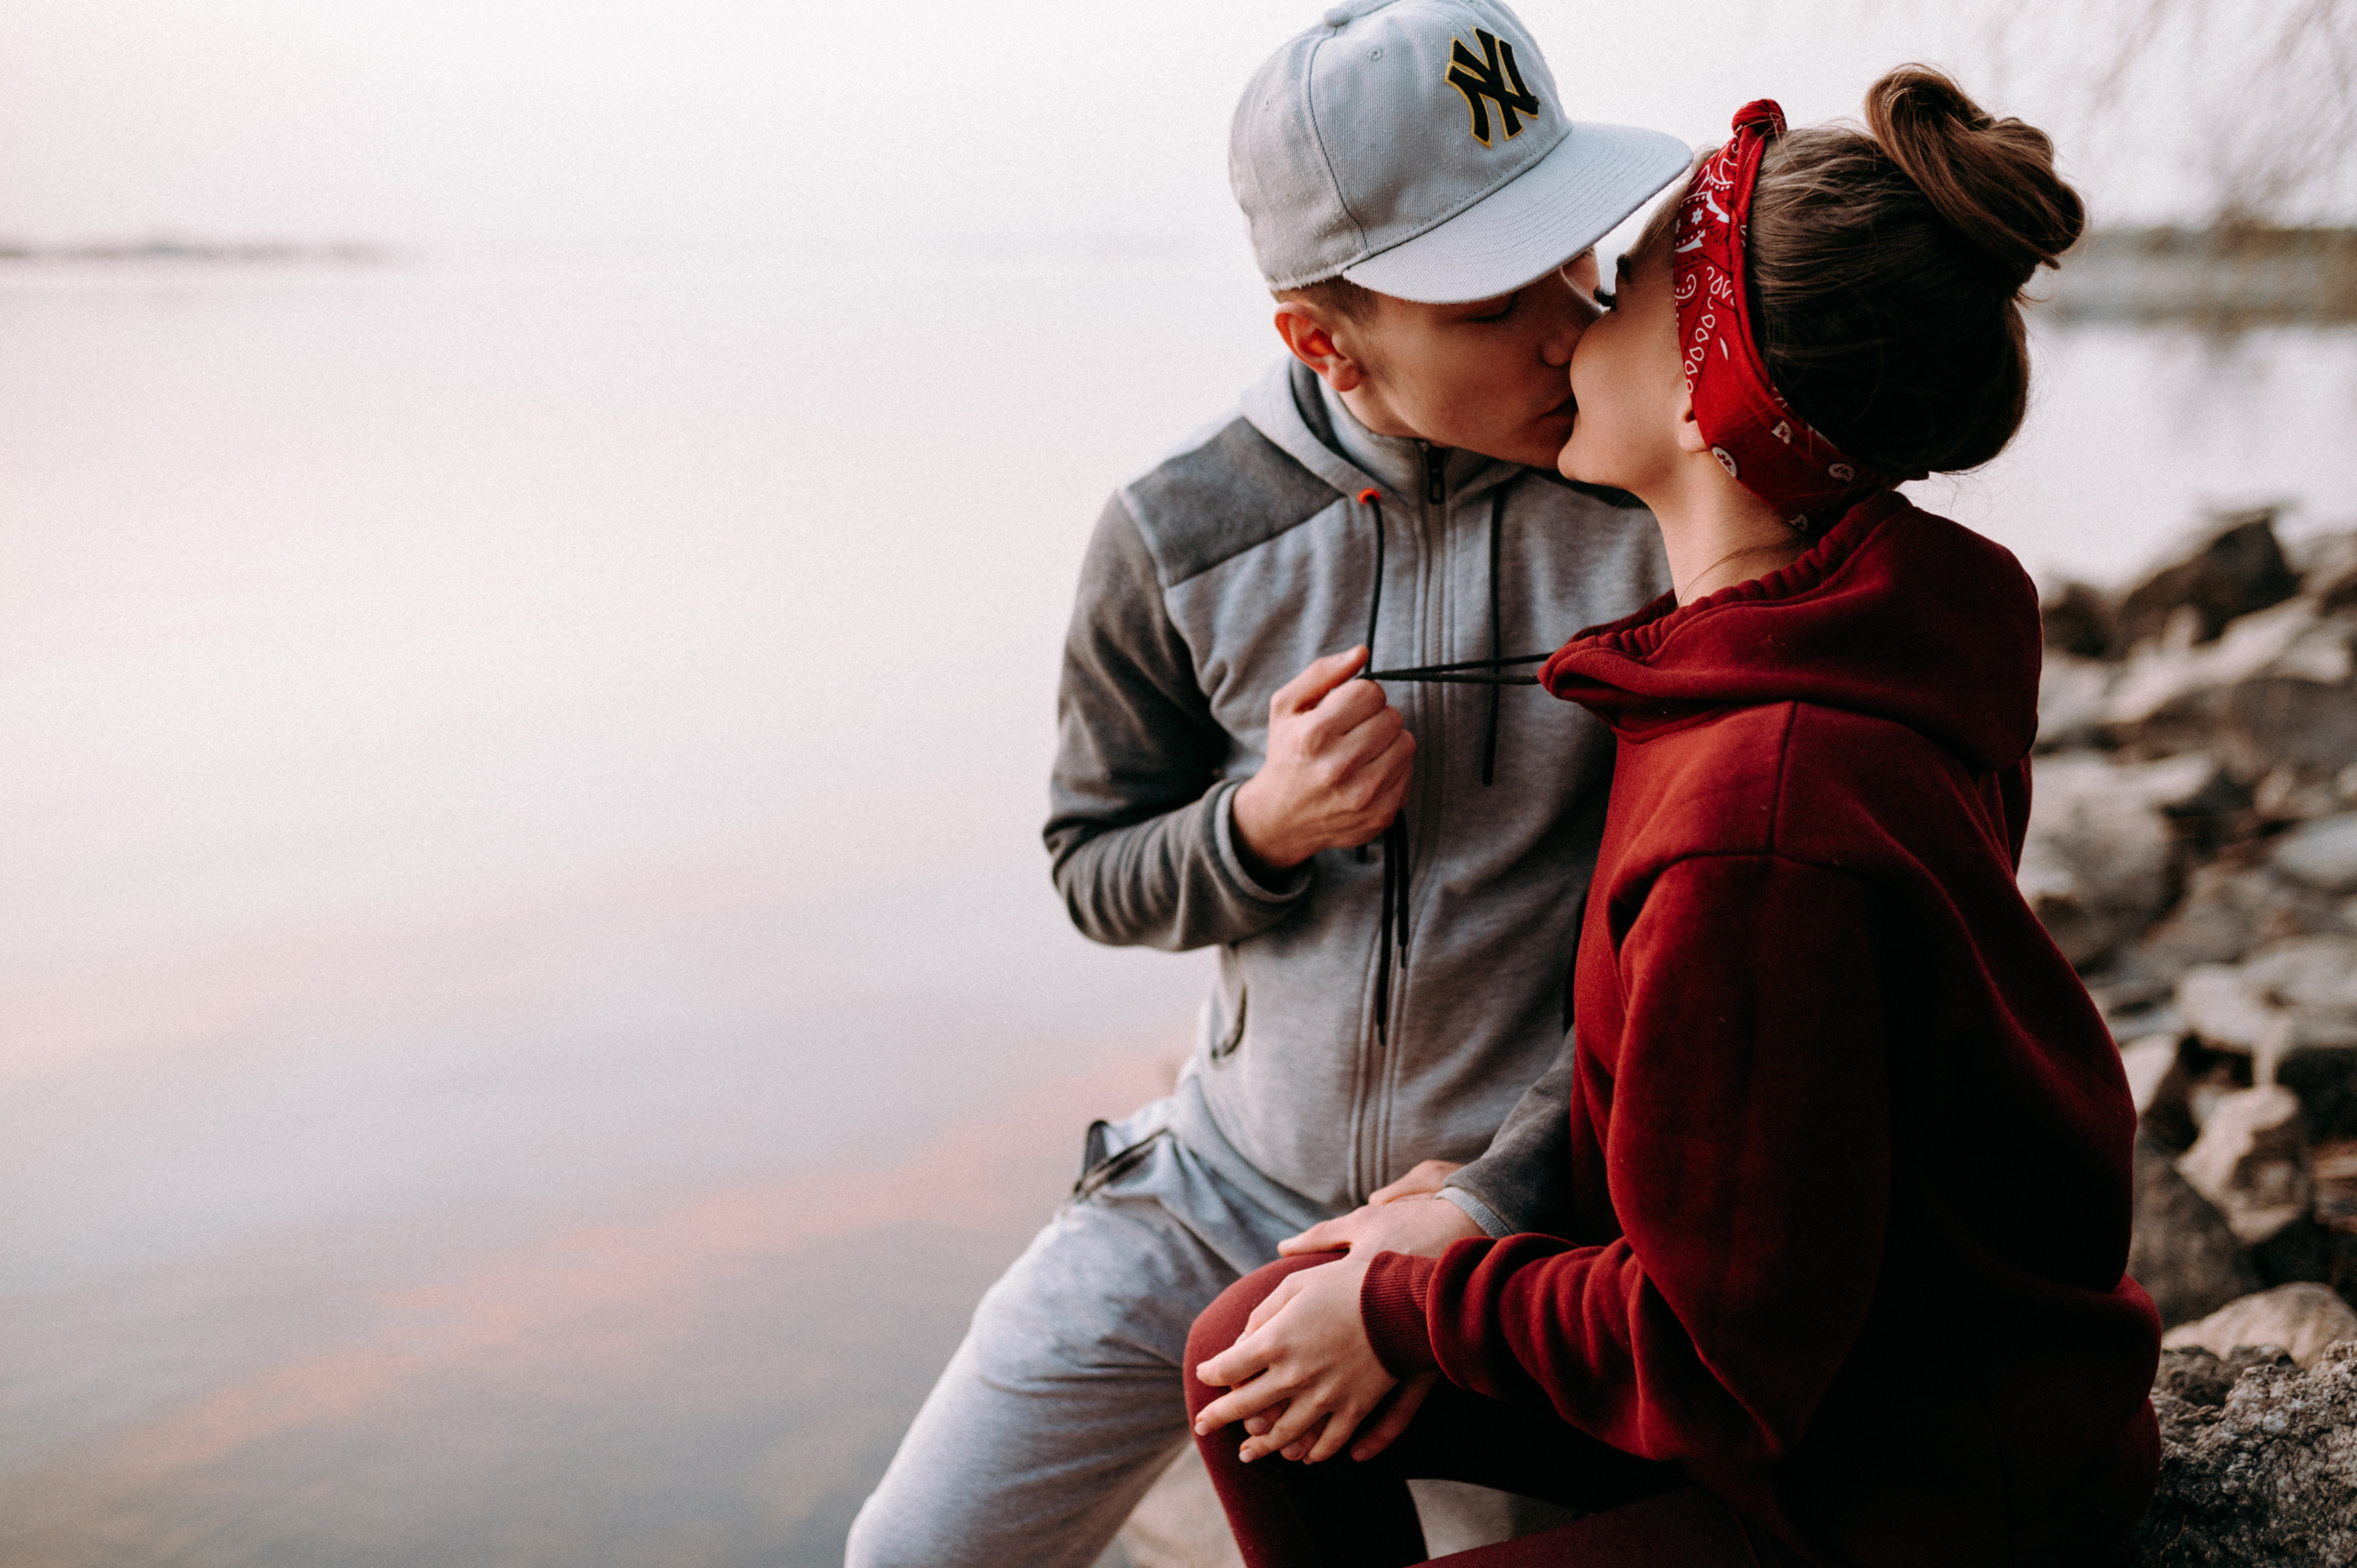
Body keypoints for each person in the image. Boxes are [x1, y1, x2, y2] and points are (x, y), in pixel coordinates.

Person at [1185, 67, 2163, 1568]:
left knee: (1323, 1330)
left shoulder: (1765, 811)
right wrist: (1468, 1214)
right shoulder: (1821, 643)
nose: (1571, 320)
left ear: (1718, 397)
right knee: (1251, 1362)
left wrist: (1408, 1303)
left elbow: (1718, 1362)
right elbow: (1712, 1090)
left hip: (1904, 1484)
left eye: (1627, 287)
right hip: (1844, 1370)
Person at [843, 5, 1695, 1566]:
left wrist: (1494, 1210)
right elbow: (1089, 860)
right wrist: (1257, 828)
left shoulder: (1650, 502)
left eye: (1578, 259)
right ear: (1324, 338)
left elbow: (1688, 954)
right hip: (1218, 1191)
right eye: (1500, 302)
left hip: (1520, 1228)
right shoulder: (1176, 530)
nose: (1574, 327)